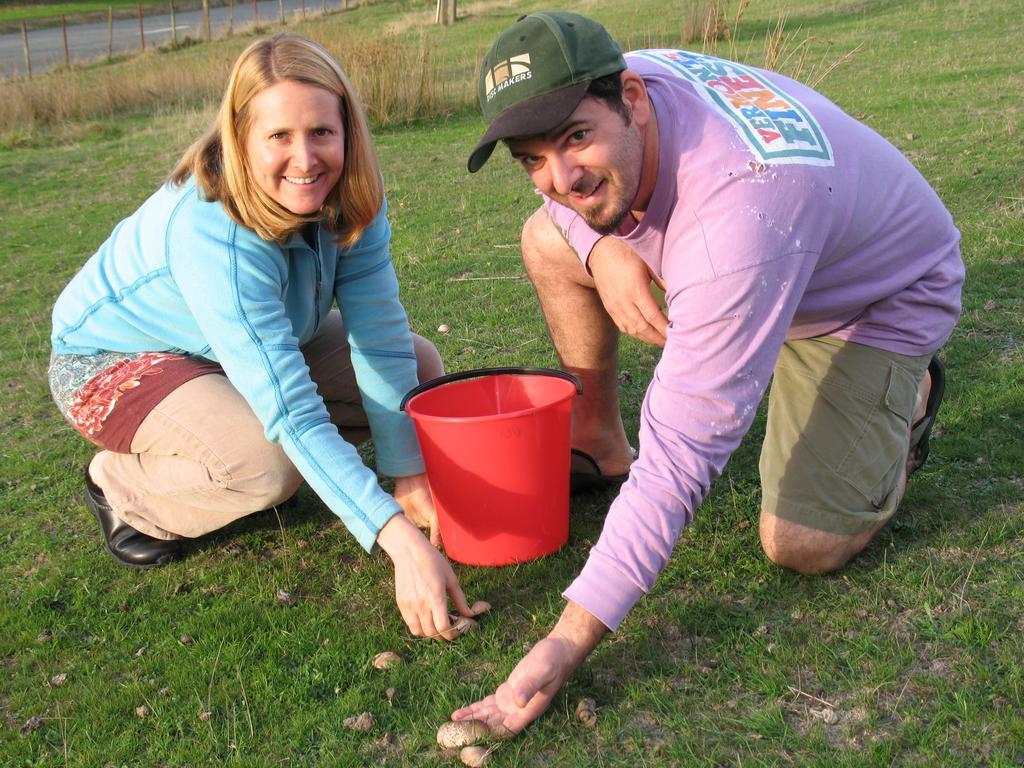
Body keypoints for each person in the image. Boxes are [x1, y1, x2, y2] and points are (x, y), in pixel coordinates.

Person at [451, 12, 963, 733]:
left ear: (631, 97)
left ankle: (907, 397)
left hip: (877, 300)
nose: (559, 176)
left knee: (801, 544)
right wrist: (602, 251)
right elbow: (560, 197)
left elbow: (682, 457)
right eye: (531, 157)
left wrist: (565, 643)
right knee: (551, 236)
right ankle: (599, 443)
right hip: (778, 258)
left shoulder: (738, 219)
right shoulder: (628, 85)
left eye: (574, 139)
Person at [48, 33, 479, 640]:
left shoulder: (350, 195)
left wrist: (407, 473)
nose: (305, 160)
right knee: (268, 464)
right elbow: (290, 409)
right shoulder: (213, 231)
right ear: (241, 139)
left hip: (228, 350)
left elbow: (380, 341)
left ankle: (242, 443)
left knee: (418, 362)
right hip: (111, 363)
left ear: (347, 132)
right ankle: (121, 488)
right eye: (279, 136)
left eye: (321, 133)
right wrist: (400, 543)